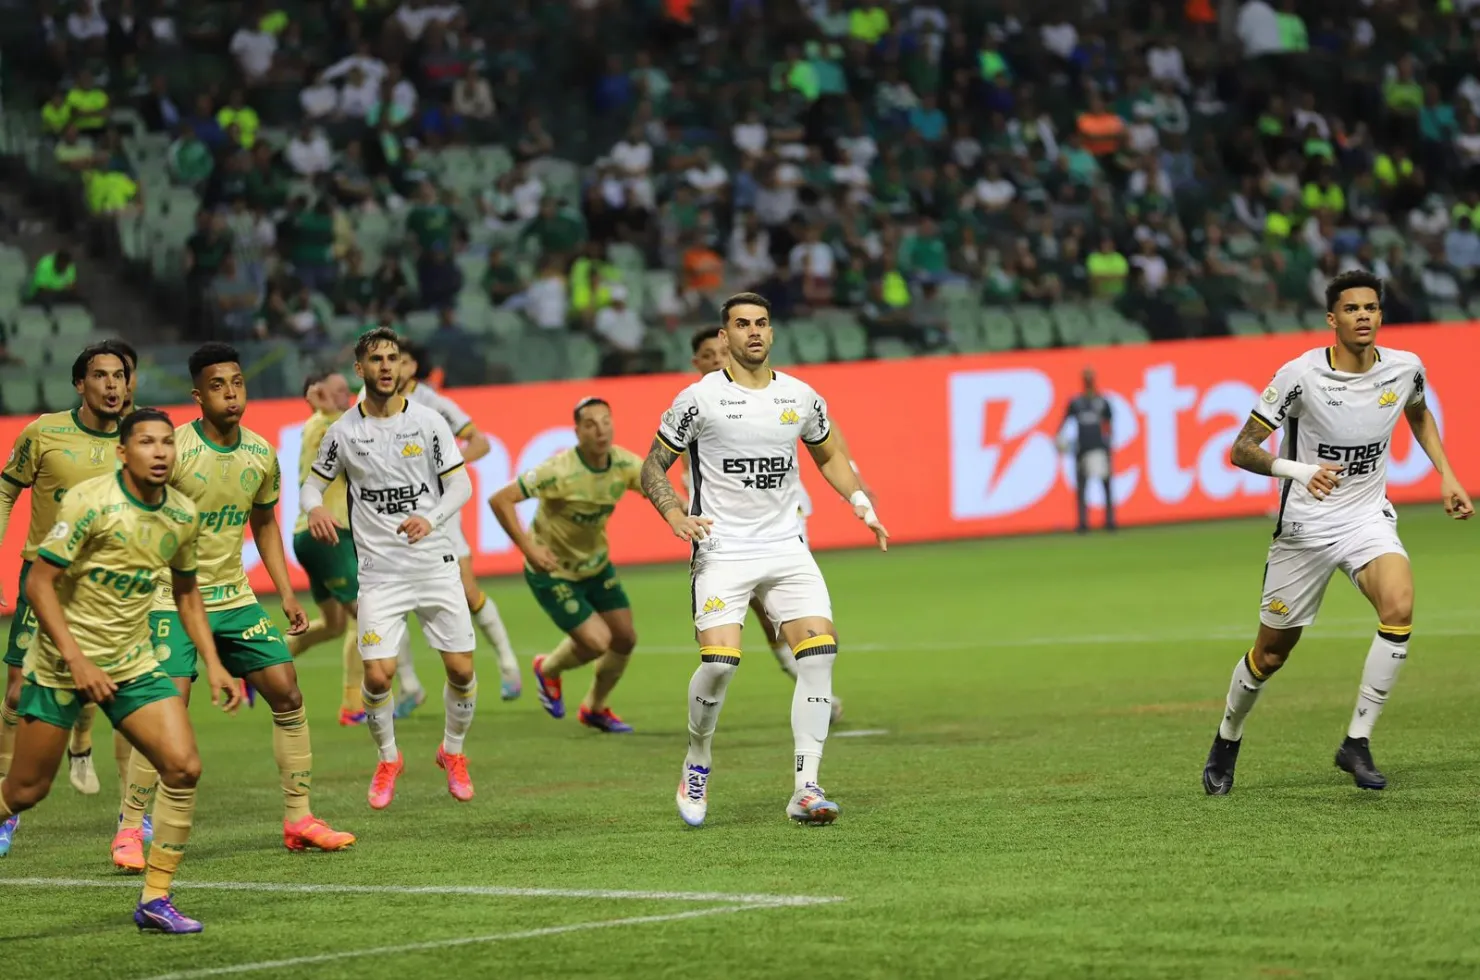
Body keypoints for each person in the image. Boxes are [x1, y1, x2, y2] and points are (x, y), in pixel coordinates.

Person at [1202, 270, 1473, 796]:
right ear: (1333, 320)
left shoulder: (1405, 368)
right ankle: (1227, 736)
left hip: (1366, 517)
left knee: (1399, 606)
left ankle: (1357, 741)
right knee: (1270, 656)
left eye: (1371, 307)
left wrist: (1448, 474)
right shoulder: (1300, 375)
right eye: (1352, 309)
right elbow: (1242, 448)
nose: (1364, 316)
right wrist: (1300, 472)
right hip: (1304, 528)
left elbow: (1418, 413)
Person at [640, 293, 888, 828]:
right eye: (741, 325)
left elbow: (828, 453)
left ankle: (806, 787)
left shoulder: (800, 396)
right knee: (719, 664)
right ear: (724, 337)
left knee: (818, 654)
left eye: (761, 323)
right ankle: (697, 759)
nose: (753, 332)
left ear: (771, 333)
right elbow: (653, 467)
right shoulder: (697, 400)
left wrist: (861, 504)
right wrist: (674, 514)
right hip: (723, 551)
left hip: (785, 548)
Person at [113, 344, 355, 872]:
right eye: (219, 386)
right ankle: (130, 829)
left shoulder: (260, 454)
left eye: (238, 383)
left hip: (235, 598)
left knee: (287, 692)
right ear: (199, 396)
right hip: (170, 599)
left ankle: (299, 818)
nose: (232, 394)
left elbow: (264, 523)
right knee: (164, 714)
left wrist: (286, 591)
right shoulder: (172, 449)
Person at [1, 408, 240, 932]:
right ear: (123, 451)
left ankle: (155, 900)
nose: (160, 452)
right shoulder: (90, 502)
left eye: (167, 443)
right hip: (63, 666)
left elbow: (185, 593)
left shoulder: (181, 513)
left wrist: (217, 665)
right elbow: (39, 585)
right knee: (25, 791)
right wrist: (76, 659)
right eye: (147, 442)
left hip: (132, 663)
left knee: (183, 767)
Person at [300, 328, 480, 810]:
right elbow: (311, 486)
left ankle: (452, 752)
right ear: (360, 370)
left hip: (435, 564)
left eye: (392, 358)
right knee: (378, 677)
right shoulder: (343, 432)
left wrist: (432, 517)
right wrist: (315, 508)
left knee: (461, 671)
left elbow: (459, 487)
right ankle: (388, 758)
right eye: (376, 359)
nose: (386, 366)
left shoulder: (428, 422)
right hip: (380, 572)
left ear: (401, 366)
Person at [686, 328, 867, 723]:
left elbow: (824, 431)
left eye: (722, 351)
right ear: (696, 363)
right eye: (708, 354)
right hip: (726, 532)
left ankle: (816, 691)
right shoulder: (697, 407)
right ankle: (815, 692)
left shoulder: (774, 392)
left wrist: (851, 480)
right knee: (761, 622)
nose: (718, 358)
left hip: (785, 521)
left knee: (803, 625)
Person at [0, 342, 132, 858]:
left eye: (119, 375)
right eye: (100, 376)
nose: (111, 384)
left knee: (113, 685)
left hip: (110, 581)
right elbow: (7, 490)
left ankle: (125, 809)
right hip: (46, 577)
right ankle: (6, 811)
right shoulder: (43, 433)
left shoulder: (139, 437)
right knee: (17, 694)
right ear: (80, 384)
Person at [487, 397, 643, 733]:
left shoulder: (625, 464)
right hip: (552, 569)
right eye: (590, 424)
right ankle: (548, 670)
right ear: (577, 432)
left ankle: (594, 708)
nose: (600, 430)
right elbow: (500, 499)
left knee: (625, 639)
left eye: (606, 421)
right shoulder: (558, 471)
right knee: (597, 642)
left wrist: (684, 513)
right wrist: (528, 548)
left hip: (597, 566)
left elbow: (657, 489)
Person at [388, 340, 520, 711]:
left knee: (466, 590)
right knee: (390, 596)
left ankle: (508, 664)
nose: (392, 367)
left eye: (400, 360)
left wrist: (447, 464)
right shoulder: (372, 406)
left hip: (438, 511)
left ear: (413, 367)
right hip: (393, 511)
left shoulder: (434, 403)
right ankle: (410, 685)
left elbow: (480, 442)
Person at [287, 370, 366, 726]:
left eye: (345, 390)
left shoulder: (325, 424)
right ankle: (354, 705)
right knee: (366, 616)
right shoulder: (323, 426)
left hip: (316, 536)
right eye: (335, 392)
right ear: (316, 395)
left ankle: (263, 665)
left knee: (334, 625)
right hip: (329, 534)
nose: (345, 396)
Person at [1055, 368, 1115, 533]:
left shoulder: (1102, 402)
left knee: (1105, 485)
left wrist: (1108, 445)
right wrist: (1060, 440)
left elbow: (1109, 426)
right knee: (1082, 488)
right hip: (1082, 449)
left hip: (1099, 448)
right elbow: (1064, 423)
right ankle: (1083, 522)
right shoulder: (1076, 403)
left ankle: (1110, 520)